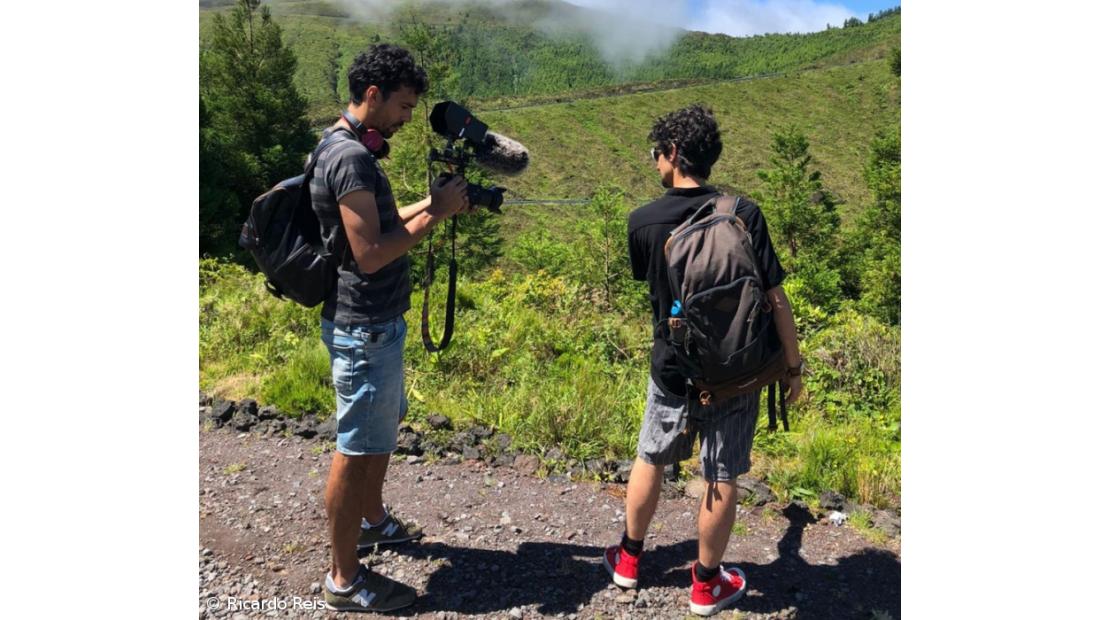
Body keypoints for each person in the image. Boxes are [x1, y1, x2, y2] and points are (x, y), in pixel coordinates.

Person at [603, 104, 804, 616]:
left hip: (673, 370)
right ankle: (706, 584)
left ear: (673, 153)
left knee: (651, 456)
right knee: (721, 472)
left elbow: (649, 291)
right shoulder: (744, 213)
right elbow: (776, 297)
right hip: (737, 371)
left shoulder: (642, 221)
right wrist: (792, 366)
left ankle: (628, 561)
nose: (654, 162)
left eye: (657, 154)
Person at [310, 43, 469, 613]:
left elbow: (379, 222)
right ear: (372, 96)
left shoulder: (345, 146)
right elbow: (371, 252)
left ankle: (373, 523)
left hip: (373, 326)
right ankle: (343, 581)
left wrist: (433, 202)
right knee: (355, 452)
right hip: (363, 329)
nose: (407, 117)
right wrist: (439, 215)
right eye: (403, 105)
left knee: (376, 437)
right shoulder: (350, 159)